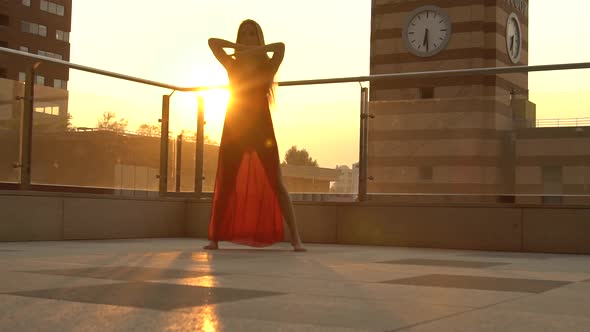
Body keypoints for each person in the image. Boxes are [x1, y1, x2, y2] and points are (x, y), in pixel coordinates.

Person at [204, 19, 306, 252]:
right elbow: (213, 43)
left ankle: (296, 238)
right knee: (226, 182)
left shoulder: (268, 66)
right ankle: (214, 238)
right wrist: (242, 50)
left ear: (259, 38)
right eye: (244, 34)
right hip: (235, 125)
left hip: (261, 127)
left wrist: (255, 50)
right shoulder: (232, 64)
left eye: (252, 34)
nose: (248, 37)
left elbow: (280, 47)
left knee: (277, 183)